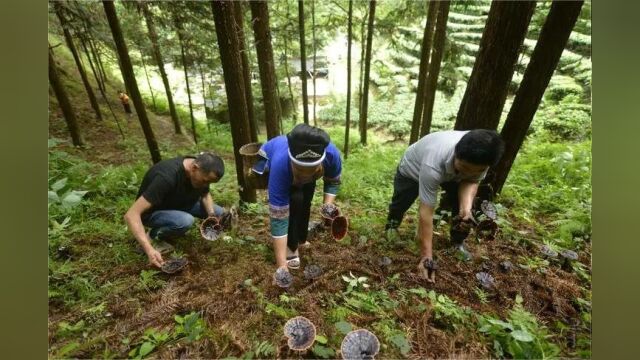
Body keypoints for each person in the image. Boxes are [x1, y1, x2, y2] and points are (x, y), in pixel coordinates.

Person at [384, 129, 505, 282]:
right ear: (456, 153)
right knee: (401, 201)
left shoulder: (482, 155)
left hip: (451, 175)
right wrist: (427, 257)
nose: (469, 172)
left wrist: (465, 209)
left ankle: (457, 242)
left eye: (477, 170)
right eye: (465, 168)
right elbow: (426, 211)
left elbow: (471, 181)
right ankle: (392, 225)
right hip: (413, 169)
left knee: (463, 210)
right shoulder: (433, 163)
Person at [254, 124, 342, 275]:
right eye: (300, 171)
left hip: (303, 170)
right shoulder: (280, 164)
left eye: (309, 171)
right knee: (295, 200)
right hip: (269, 158)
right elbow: (278, 217)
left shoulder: (331, 154)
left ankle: (301, 238)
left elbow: (333, 181)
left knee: (306, 200)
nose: (304, 176)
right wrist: (281, 266)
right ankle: (291, 247)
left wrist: (327, 206)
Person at [124, 152, 226, 268]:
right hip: (155, 211)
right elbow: (131, 215)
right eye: (204, 181)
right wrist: (149, 249)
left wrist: (211, 215)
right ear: (194, 168)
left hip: (181, 202)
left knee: (219, 213)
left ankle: (178, 218)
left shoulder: (201, 168)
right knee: (185, 221)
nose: (205, 185)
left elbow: (205, 194)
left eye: (209, 182)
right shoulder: (166, 177)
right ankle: (152, 237)